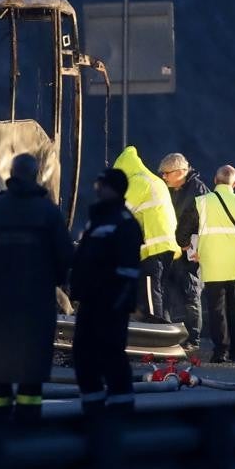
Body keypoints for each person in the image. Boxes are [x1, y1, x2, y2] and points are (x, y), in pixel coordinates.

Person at [0, 154, 73, 425]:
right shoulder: (49, 213)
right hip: (37, 302)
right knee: (32, 363)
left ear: (12, 175)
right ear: (36, 175)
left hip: (1, 298)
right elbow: (65, 258)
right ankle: (28, 417)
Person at [176, 165, 235, 362]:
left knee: (216, 309)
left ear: (215, 180)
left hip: (212, 265)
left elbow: (181, 232)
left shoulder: (200, 202)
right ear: (234, 183)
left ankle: (221, 351)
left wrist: (186, 246)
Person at [70, 169, 143, 415]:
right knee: (83, 356)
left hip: (110, 303)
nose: (97, 188)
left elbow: (128, 271)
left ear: (112, 187)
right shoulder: (98, 219)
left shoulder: (123, 222)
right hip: (90, 300)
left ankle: (120, 411)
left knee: (111, 355)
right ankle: (93, 409)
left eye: (101, 183)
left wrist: (118, 303)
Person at [113, 146, 180, 323]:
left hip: (153, 248)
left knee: (150, 294)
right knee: (157, 291)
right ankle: (163, 330)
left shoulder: (138, 182)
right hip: (167, 246)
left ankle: (155, 335)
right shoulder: (155, 181)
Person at [158, 153, 210, 349]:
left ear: (180, 172)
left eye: (166, 173)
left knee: (191, 296)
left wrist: (196, 247)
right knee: (167, 295)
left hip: (190, 253)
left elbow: (206, 222)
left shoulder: (199, 190)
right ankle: (168, 337)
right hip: (171, 250)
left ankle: (192, 340)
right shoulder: (169, 189)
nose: (163, 177)